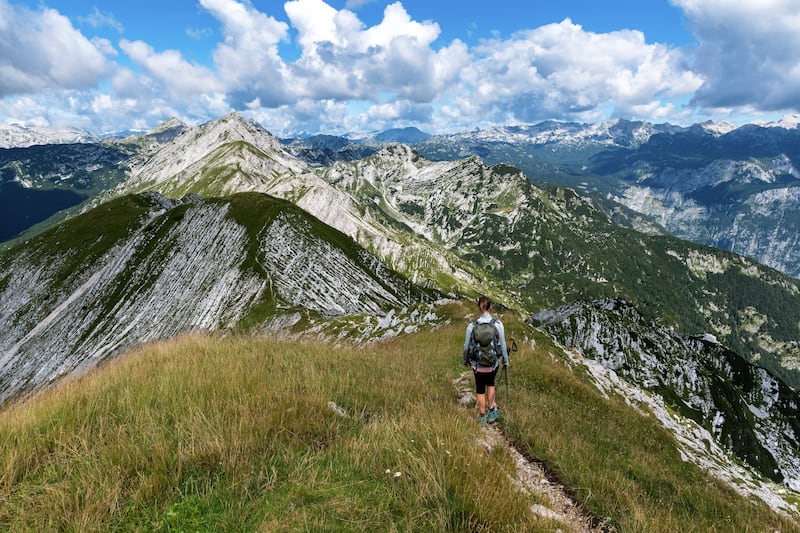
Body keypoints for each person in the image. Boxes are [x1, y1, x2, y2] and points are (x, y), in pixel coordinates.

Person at [463, 296, 509, 425]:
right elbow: (503, 345)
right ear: (491, 307)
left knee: (479, 388)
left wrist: (465, 360)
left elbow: (466, 346)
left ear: (478, 308)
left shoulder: (472, 326)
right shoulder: (498, 324)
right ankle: (492, 411)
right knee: (491, 384)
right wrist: (505, 361)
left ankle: (482, 416)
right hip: (492, 364)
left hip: (477, 365)